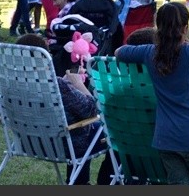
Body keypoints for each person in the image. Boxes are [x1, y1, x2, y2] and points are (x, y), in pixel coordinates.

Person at [116, 2, 189, 185]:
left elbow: (119, 52)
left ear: (158, 27)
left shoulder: (149, 52)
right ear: (184, 28)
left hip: (166, 138)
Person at [16, 33, 116, 185]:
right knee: (113, 132)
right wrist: (78, 85)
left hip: (29, 142)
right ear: (42, 58)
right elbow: (92, 110)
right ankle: (103, 182)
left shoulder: (11, 83)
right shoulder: (56, 85)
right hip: (62, 146)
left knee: (85, 129)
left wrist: (65, 85)